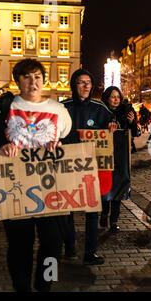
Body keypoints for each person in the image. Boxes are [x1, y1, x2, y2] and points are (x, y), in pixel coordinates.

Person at [0, 59, 72, 291]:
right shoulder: (5, 106)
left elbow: (70, 143)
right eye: (27, 77)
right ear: (18, 80)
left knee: (53, 243)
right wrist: (1, 146)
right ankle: (22, 287)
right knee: (20, 244)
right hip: (15, 187)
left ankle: (45, 284)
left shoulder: (58, 110)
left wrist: (60, 144)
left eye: (38, 76)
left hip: (51, 188)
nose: (33, 82)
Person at [61, 69, 117, 265]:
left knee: (92, 211)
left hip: (91, 167)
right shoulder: (63, 107)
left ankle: (90, 252)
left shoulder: (100, 108)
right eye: (80, 82)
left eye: (88, 82)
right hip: (68, 166)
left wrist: (112, 126)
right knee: (66, 210)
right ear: (73, 85)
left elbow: (112, 123)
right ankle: (69, 247)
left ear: (92, 86)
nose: (85, 86)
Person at [100, 86, 137, 232]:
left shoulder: (126, 111)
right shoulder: (101, 111)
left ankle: (114, 221)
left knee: (119, 187)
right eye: (112, 96)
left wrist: (132, 122)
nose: (116, 99)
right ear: (107, 98)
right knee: (105, 186)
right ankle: (104, 212)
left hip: (121, 155)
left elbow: (135, 133)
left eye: (118, 97)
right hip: (104, 154)